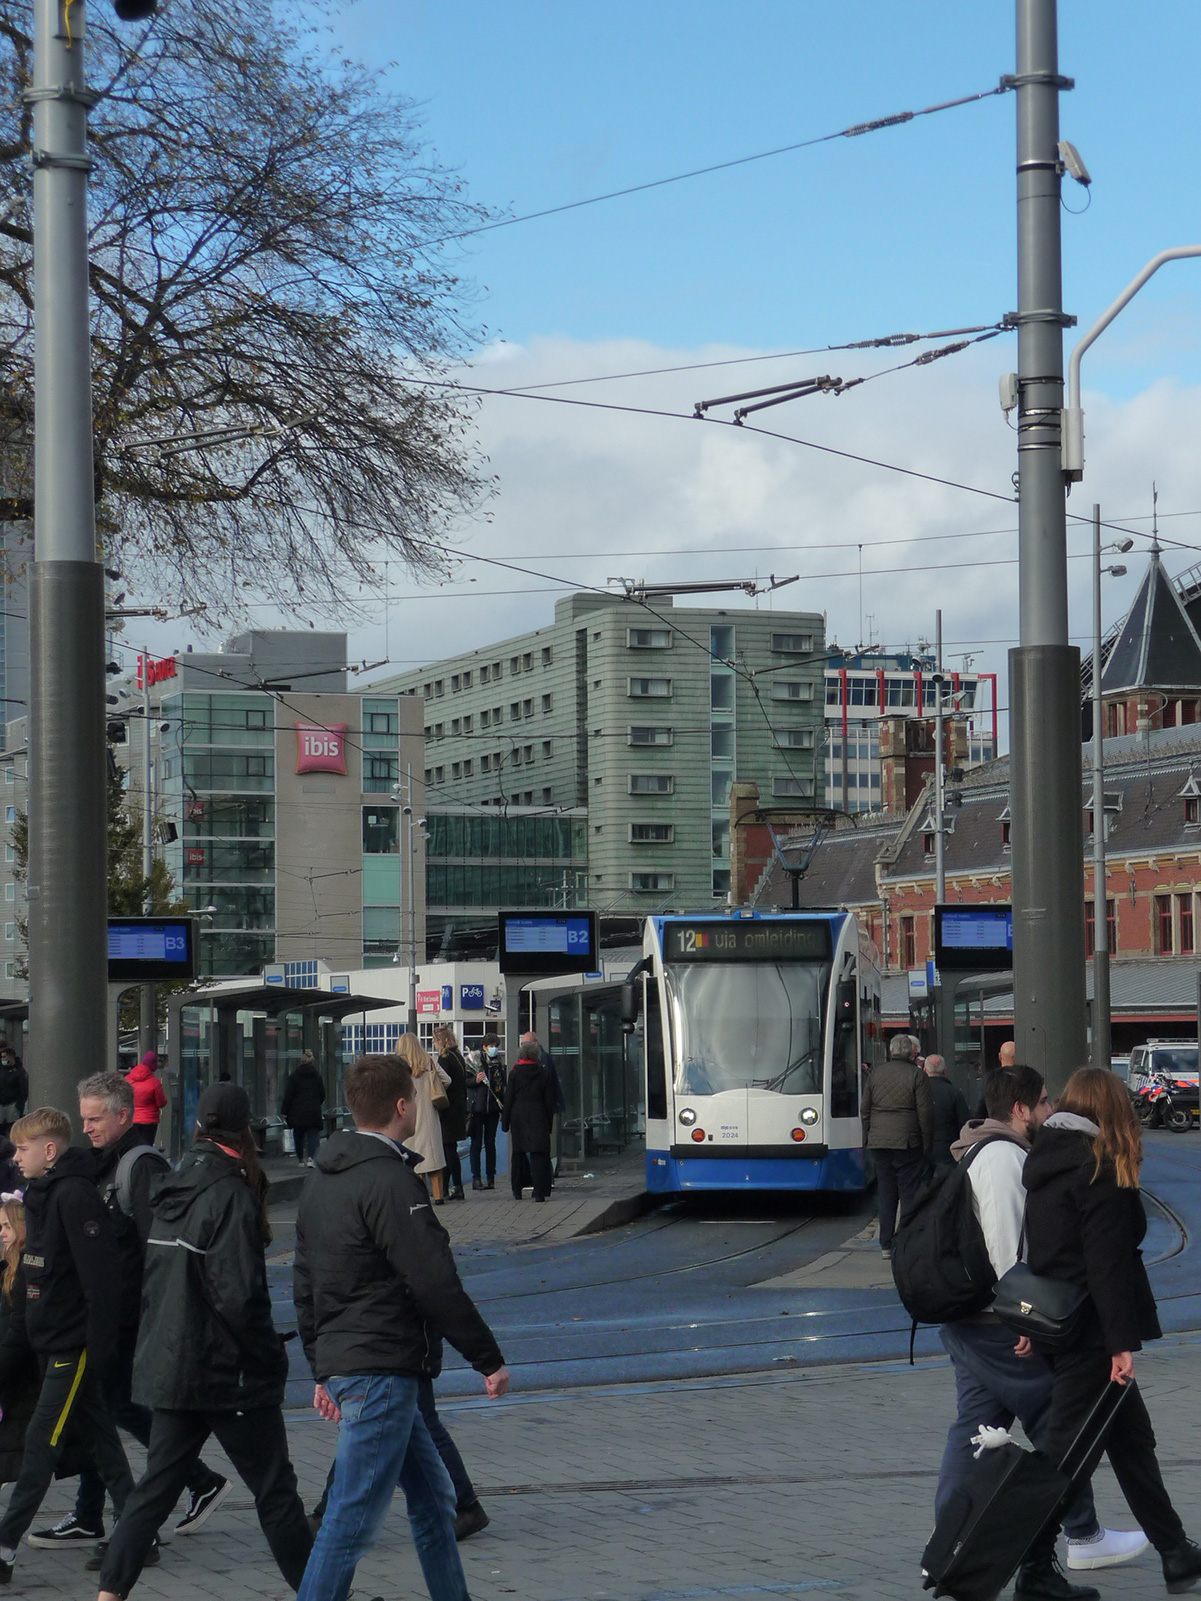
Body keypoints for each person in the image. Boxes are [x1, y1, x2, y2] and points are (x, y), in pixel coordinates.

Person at [293, 1053, 510, 1601]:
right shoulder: (391, 1182)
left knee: (435, 1503)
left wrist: (322, 1368)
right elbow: (434, 1281)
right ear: (400, 1106)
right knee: (349, 1523)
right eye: (412, 1098)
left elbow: (305, 1281)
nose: (416, 1107)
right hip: (381, 1369)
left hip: (366, 1366)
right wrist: (487, 1357)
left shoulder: (321, 1179)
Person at [934, 1065, 1147, 1599]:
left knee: (973, 1430)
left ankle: (953, 1541)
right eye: (1045, 1102)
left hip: (968, 1324)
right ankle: (1075, 1537)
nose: (1051, 1111)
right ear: (1022, 1109)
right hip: (997, 1324)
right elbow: (1013, 1255)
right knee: (1061, 1422)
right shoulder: (1005, 1158)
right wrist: (1030, 1320)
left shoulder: (975, 1149)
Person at [94, 1083, 312, 1601]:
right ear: (245, 1131)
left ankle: (108, 1595)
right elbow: (239, 1297)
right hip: (227, 1373)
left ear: (198, 1127)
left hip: (174, 1366)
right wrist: (268, 1359)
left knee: (152, 1492)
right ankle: (319, 1591)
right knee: (276, 1491)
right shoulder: (231, 1194)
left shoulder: (171, 1185)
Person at [30, 1074, 230, 1556]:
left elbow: (155, 1245)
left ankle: (195, 1480)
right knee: (102, 1407)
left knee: (114, 1407)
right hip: (114, 1311)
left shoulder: (139, 1166)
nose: (87, 1127)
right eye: (83, 1118)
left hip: (131, 1313)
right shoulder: (109, 1161)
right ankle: (91, 1512)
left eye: (95, 1118)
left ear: (123, 1115)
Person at [1020, 1067, 1201, 1599]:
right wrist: (1120, 1346)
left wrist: (1031, 1320)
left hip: (1064, 1325)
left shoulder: (1045, 1163)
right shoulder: (1096, 1169)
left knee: (1132, 1442)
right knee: (1066, 1455)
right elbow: (1106, 1266)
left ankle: (1175, 1552)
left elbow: (1041, 1252)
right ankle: (1032, 1567)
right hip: (1093, 1337)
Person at [0, 1109, 134, 1586]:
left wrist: (97, 1348)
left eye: (23, 1148)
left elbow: (100, 1279)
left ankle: (5, 1547)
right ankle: (140, 1532)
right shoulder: (40, 1196)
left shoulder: (73, 1196)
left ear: (49, 1150)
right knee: (101, 1439)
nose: (16, 1157)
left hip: (70, 1347)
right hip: (49, 1341)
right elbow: (36, 1280)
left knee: (41, 1443)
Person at [862, 1033, 932, 1259]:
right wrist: (926, 1143)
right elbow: (924, 1113)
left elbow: (865, 1109)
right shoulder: (917, 1075)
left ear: (891, 1052)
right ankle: (907, 1241)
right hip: (907, 1142)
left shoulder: (875, 1074)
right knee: (908, 1193)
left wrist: (868, 1136)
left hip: (879, 1142)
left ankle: (886, 1244)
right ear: (912, 1053)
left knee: (886, 1193)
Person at [396, 1033, 451, 1204]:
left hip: (408, 1115)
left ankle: (419, 1197)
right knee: (432, 1158)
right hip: (429, 1114)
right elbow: (447, 1080)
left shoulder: (399, 1067)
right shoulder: (429, 1061)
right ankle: (439, 1195)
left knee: (414, 1160)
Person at [503, 1045, 556, 1203]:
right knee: (539, 1154)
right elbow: (549, 1100)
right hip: (538, 1114)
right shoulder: (543, 1073)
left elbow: (509, 1099)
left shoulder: (514, 1074)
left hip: (518, 1116)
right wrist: (549, 1123)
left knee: (518, 1153)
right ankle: (539, 1191)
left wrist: (505, 1122)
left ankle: (517, 1190)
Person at [432, 1026, 469, 1202]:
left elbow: (443, 1082)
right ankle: (448, 1187)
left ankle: (451, 1187)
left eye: (435, 1040)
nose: (433, 1043)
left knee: (447, 1150)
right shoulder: (458, 1057)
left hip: (448, 1108)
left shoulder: (445, 1058)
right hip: (458, 1107)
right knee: (450, 1148)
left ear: (441, 1041)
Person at [468, 1033, 505, 1191]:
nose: (494, 1048)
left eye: (495, 1045)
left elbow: (502, 1085)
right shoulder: (475, 1060)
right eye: (491, 1045)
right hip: (478, 1107)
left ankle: (491, 1177)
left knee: (491, 1144)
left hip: (493, 1108)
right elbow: (465, 1081)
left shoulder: (498, 1063)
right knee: (476, 1143)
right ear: (484, 1046)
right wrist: (475, 1080)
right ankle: (476, 1178)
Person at [924, 1054, 970, 1177]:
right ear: (945, 1070)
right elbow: (965, 1122)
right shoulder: (954, 1093)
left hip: (922, 1149)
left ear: (925, 1070)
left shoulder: (919, 1092)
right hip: (947, 1149)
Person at [280, 1052, 325, 1168]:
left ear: (300, 1062)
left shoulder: (294, 1077)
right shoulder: (317, 1077)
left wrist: (284, 1110)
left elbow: (288, 1095)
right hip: (313, 1111)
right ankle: (310, 1158)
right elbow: (322, 1094)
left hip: (297, 1112)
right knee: (312, 1135)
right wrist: (315, 1103)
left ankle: (300, 1159)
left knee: (298, 1135)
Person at [125, 1053, 166, 1147]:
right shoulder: (155, 1082)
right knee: (146, 1147)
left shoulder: (127, 1079)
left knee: (132, 1146)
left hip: (132, 1119)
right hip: (149, 1121)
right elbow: (161, 1103)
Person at [0, 1048, 27, 1138]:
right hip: (1, 1104)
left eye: (4, 1057)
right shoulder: (1, 1070)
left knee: (11, 1128)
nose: (2, 1059)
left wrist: (19, 1105)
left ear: (11, 1057)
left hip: (13, 1104)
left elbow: (24, 1090)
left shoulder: (20, 1072)